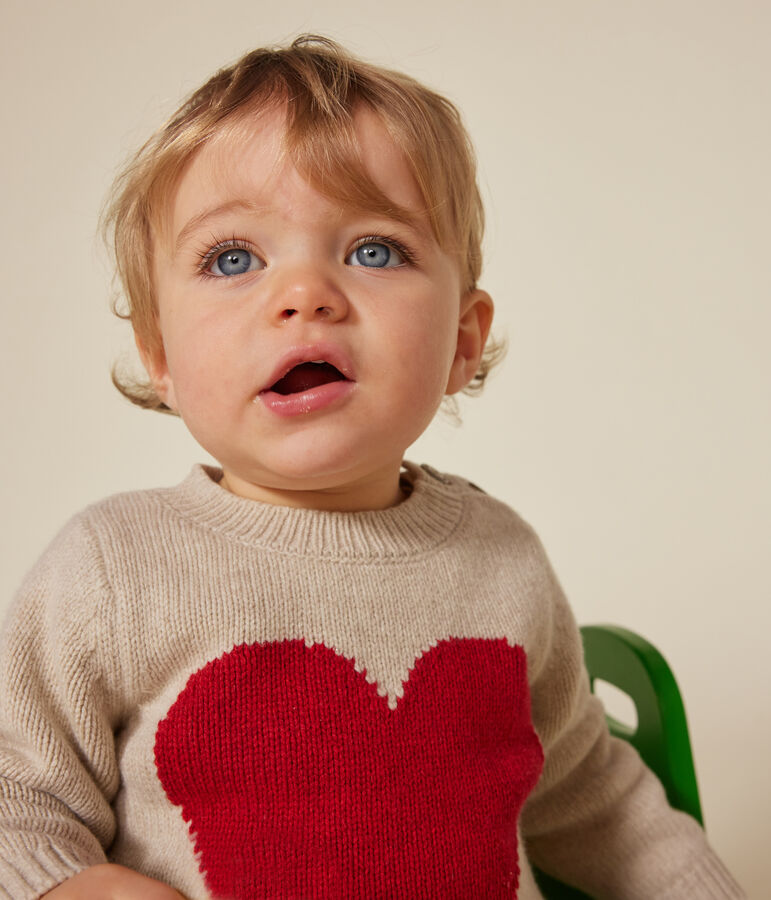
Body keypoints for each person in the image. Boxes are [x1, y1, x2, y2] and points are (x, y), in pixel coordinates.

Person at [0, 35, 744, 900]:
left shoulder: (504, 562)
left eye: (374, 250)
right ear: (160, 353)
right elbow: (19, 796)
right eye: (232, 259)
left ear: (461, 341)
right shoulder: (112, 570)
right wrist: (69, 886)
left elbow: (594, 804)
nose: (305, 292)